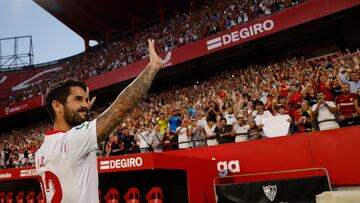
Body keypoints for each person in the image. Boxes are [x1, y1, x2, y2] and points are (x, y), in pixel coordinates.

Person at [35, 39, 163, 203]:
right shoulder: (70, 143)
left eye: (85, 100)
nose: (84, 105)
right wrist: (152, 67)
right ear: (57, 106)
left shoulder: (42, 151)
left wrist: (80, 111)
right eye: (78, 99)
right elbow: (121, 108)